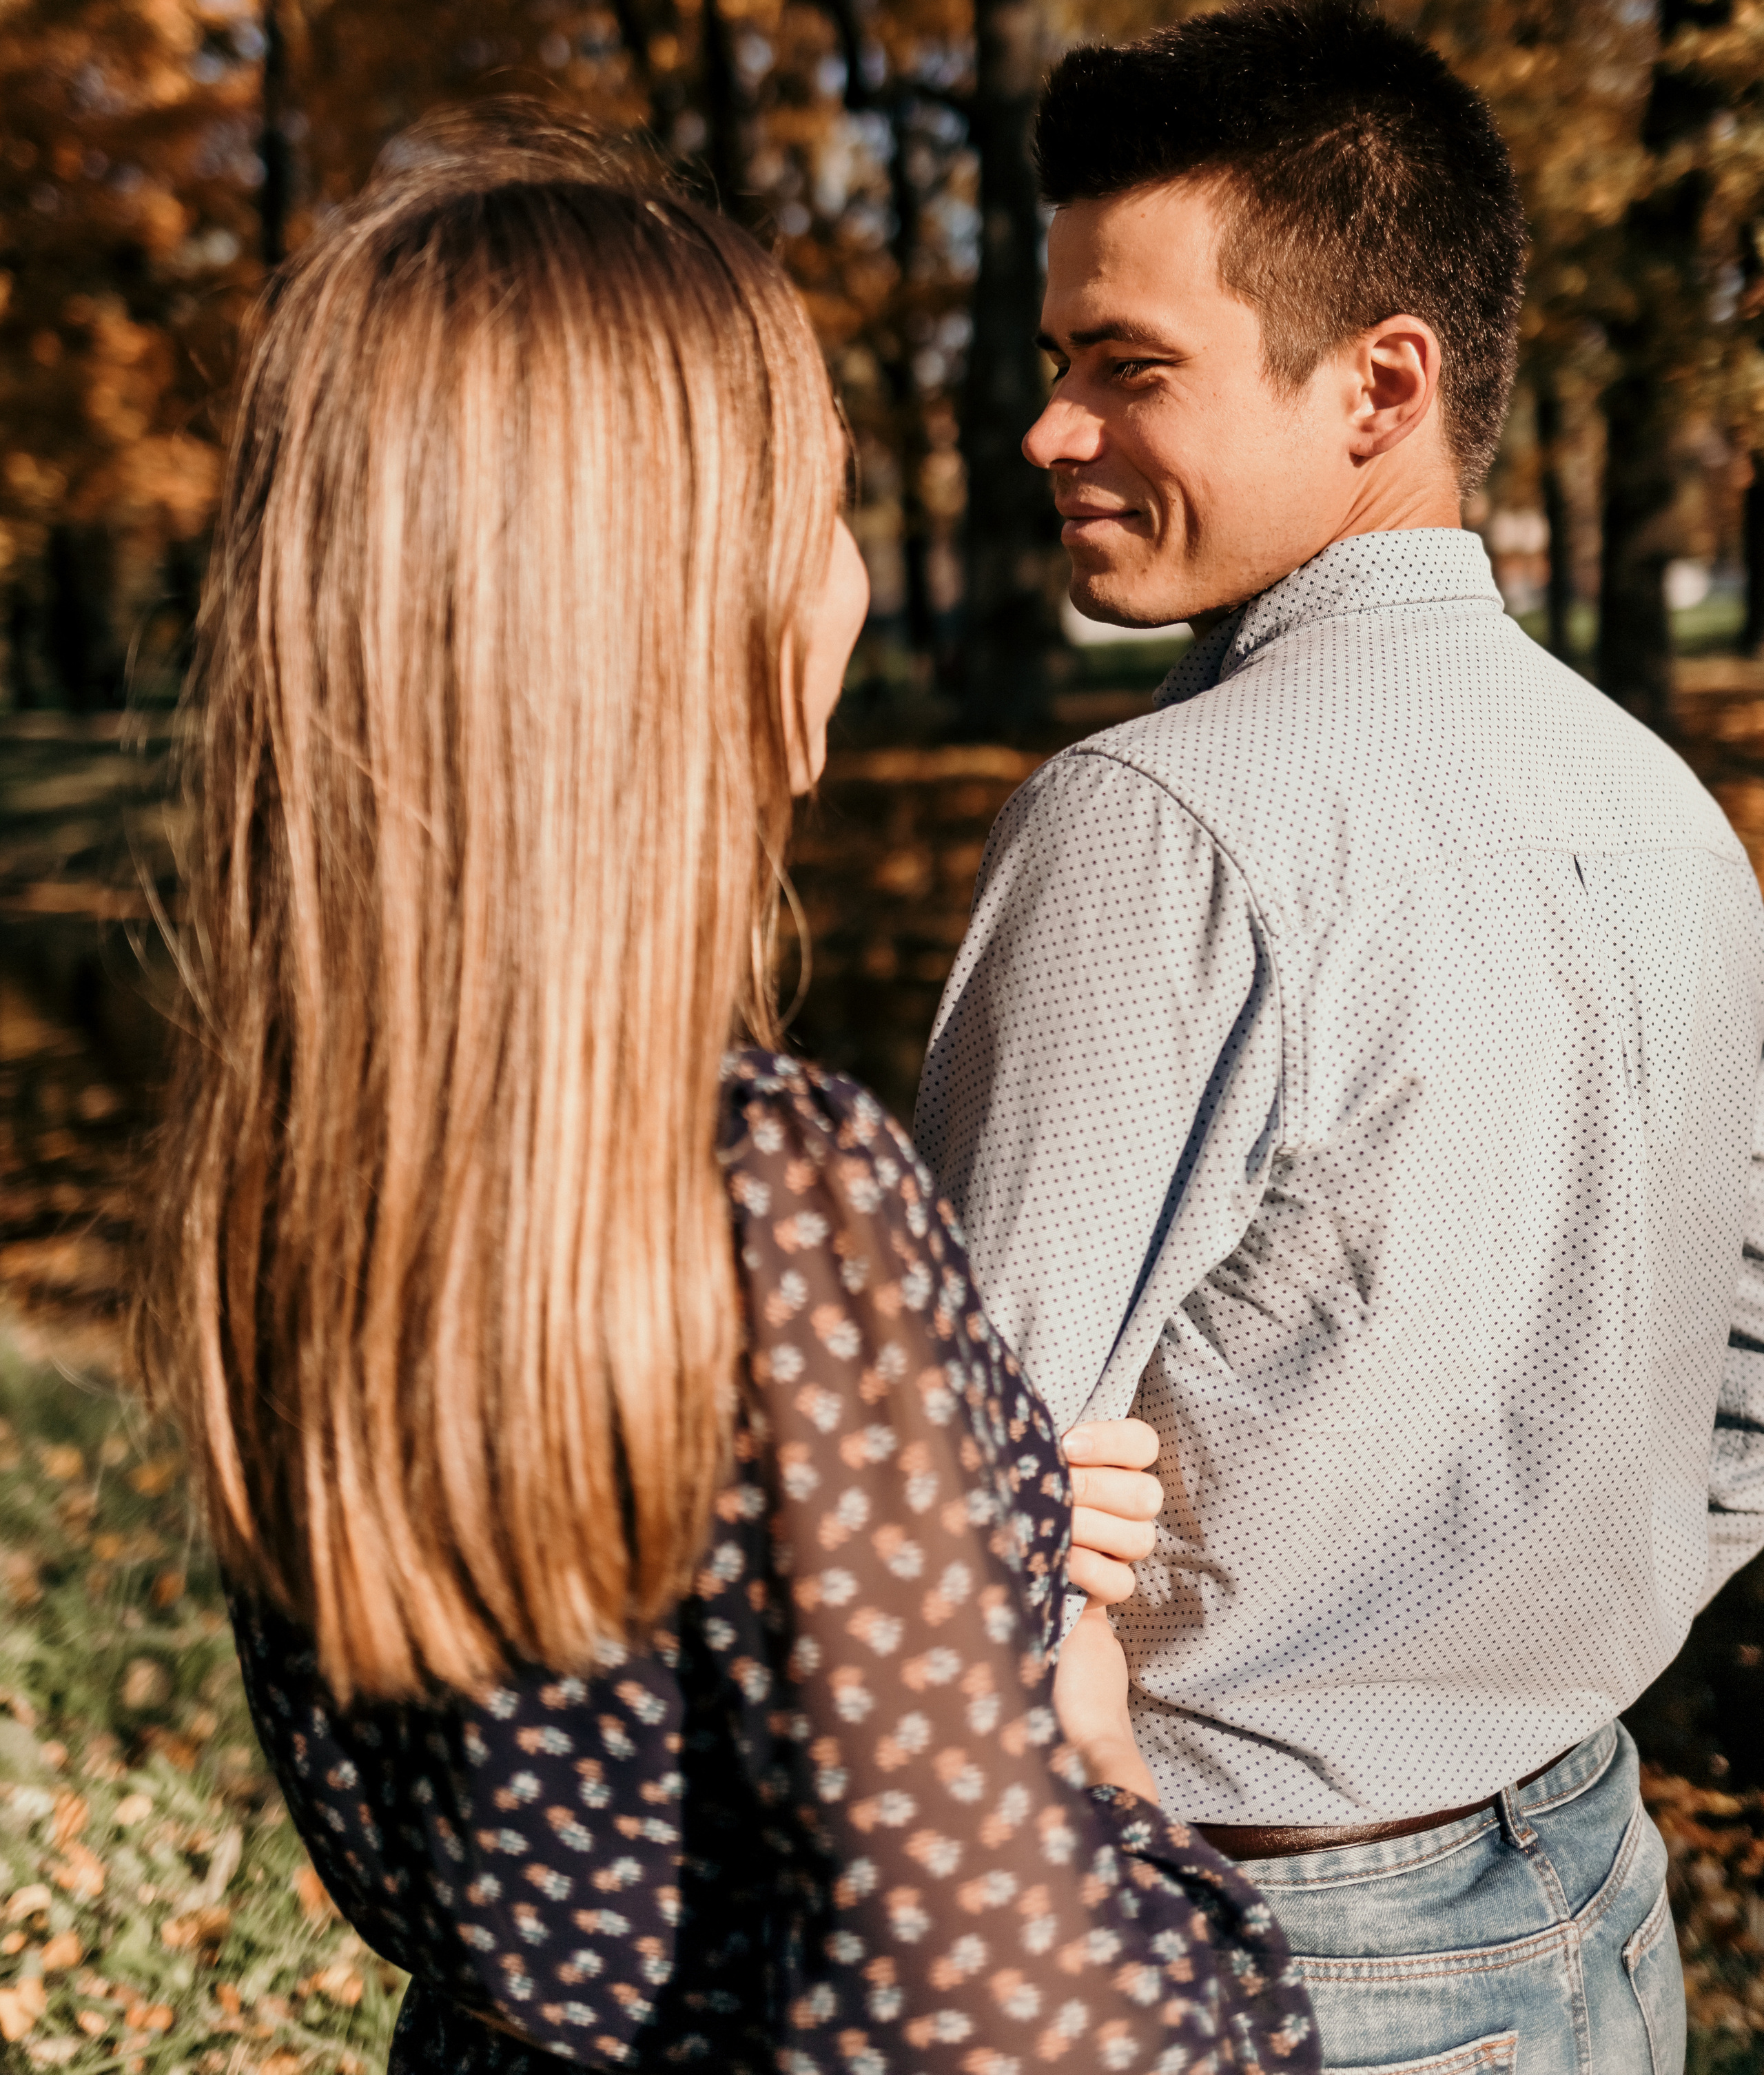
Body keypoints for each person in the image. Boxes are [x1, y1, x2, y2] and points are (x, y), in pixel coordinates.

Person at [132, 104, 1320, 2074]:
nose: (848, 588)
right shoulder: (771, 1187)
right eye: (824, 509)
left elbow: (650, 1580)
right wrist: (1083, 1731)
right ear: (681, 611)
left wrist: (975, 1480)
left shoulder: (300, 1155)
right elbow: (1017, 2025)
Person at [913, 3, 1764, 2069]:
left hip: (1254, 1929)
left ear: (1387, 380)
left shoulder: (1154, 825)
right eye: (1056, 366)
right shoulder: (1663, 805)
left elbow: (935, 1527)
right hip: (1595, 1903)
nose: (1050, 431)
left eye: (1132, 368)